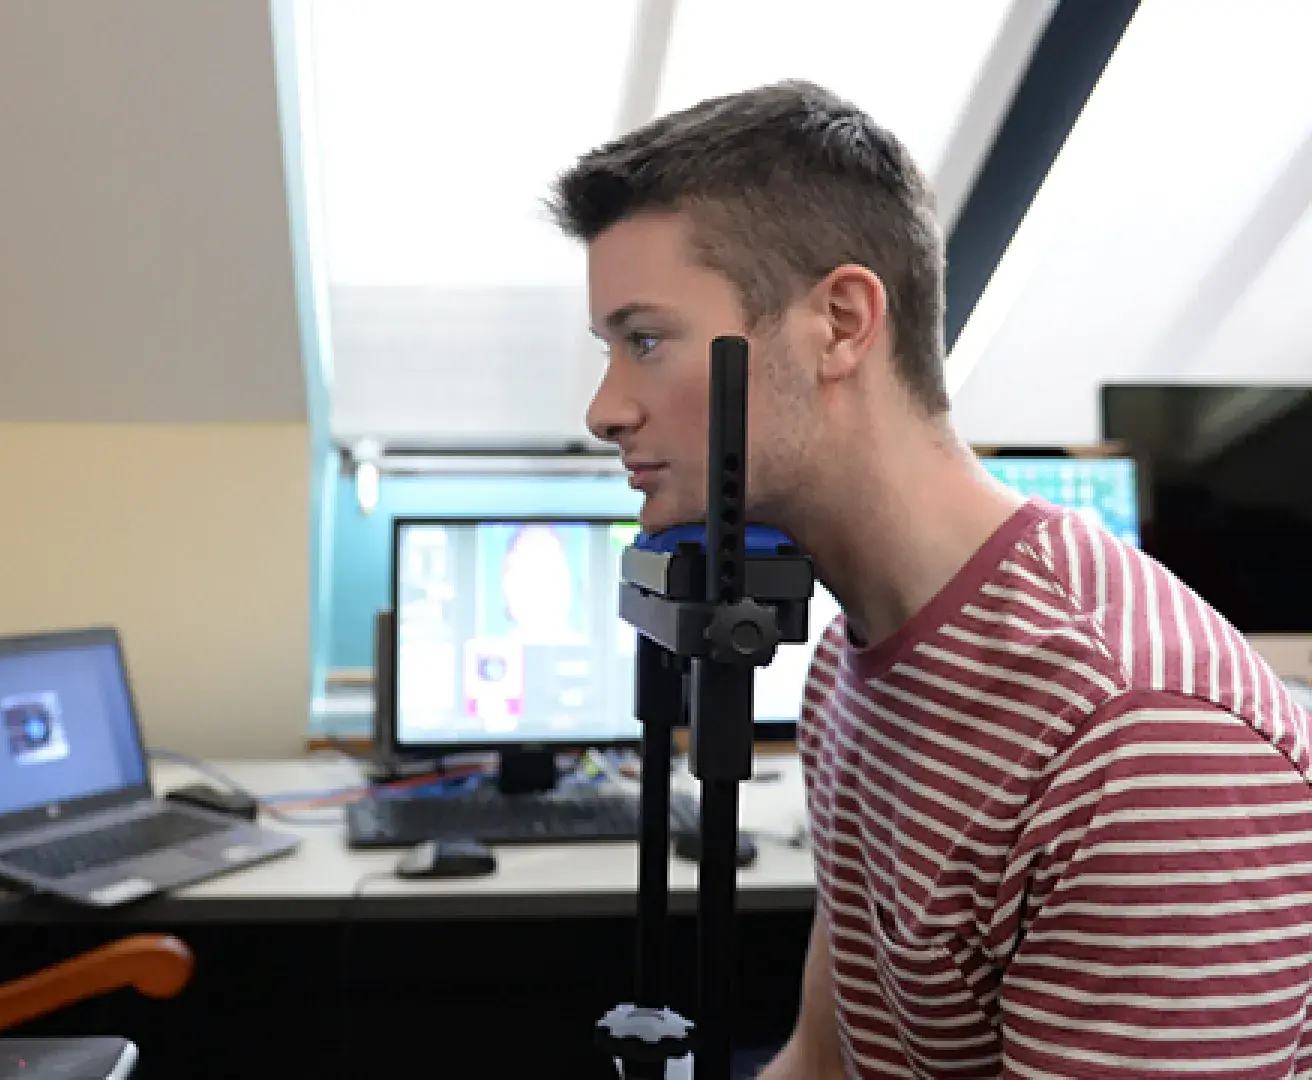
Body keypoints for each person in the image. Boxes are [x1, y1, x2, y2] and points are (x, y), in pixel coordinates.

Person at [550, 79, 1312, 1078]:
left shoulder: (1137, 747)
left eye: (645, 340)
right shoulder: (848, 662)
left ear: (841, 322)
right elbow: (824, 1061)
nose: (604, 409)